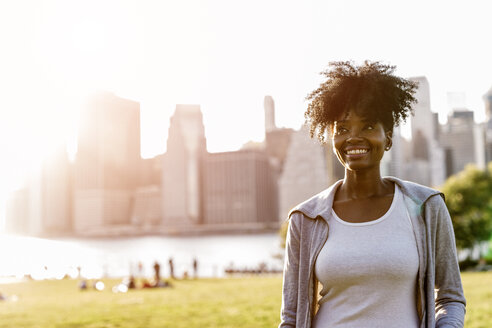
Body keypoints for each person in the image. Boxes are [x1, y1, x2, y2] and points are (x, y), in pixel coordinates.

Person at [279, 61, 466, 328]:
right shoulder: (305, 218)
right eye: (342, 129)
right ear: (332, 139)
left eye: (367, 126)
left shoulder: (426, 206)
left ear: (388, 137)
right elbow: (291, 316)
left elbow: (449, 298)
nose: (353, 137)